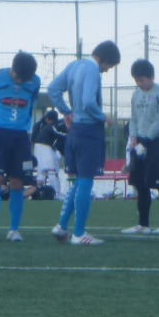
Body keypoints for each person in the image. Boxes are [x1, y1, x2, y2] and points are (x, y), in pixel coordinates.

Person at [48, 40, 121, 245]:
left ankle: (62, 225)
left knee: (79, 181)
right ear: (104, 59)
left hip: (74, 132)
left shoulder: (75, 65)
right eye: (109, 66)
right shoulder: (92, 70)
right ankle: (79, 233)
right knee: (86, 182)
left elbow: (53, 89)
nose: (107, 70)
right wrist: (103, 116)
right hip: (89, 131)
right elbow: (89, 101)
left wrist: (67, 111)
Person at [0, 51, 40, 241]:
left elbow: (33, 100)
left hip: (21, 137)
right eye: (18, 77)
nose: (20, 82)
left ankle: (14, 229)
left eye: (24, 79)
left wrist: (26, 121)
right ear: (13, 70)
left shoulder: (34, 82)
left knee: (17, 183)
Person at [122, 59, 159, 234]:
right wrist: (134, 137)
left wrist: (146, 141)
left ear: (151, 77)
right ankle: (143, 224)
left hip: (158, 143)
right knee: (141, 185)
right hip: (140, 144)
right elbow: (134, 118)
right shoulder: (136, 94)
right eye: (137, 80)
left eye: (142, 80)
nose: (139, 83)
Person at [32, 110, 64, 199]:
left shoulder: (42, 125)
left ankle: (37, 193)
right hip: (45, 147)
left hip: (38, 147)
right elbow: (59, 134)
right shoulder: (51, 126)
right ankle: (56, 193)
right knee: (52, 171)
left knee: (42, 172)